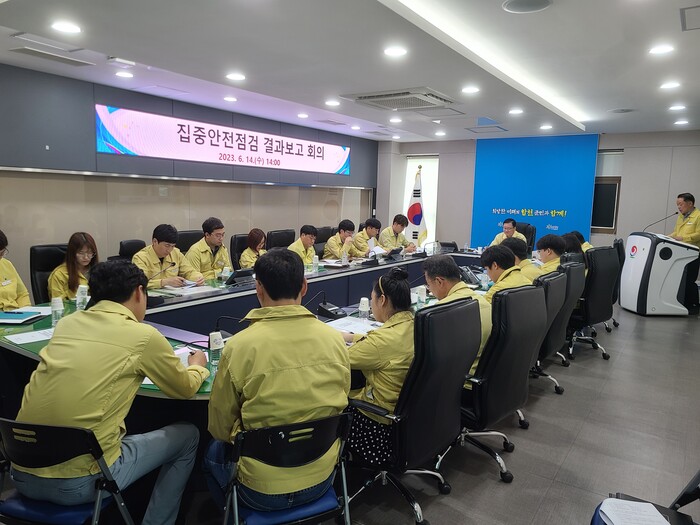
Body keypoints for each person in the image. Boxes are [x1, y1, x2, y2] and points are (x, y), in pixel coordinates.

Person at [11, 260, 209, 525]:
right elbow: (184, 388)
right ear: (139, 292)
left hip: (21, 473)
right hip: (81, 481)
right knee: (188, 435)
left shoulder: (67, 324)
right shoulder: (143, 335)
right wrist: (197, 366)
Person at [205, 249, 350, 511]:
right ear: (304, 286)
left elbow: (219, 428)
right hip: (322, 477)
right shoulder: (335, 339)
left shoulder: (238, 347)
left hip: (259, 490)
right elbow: (342, 397)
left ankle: (233, 511)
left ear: (258, 288)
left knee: (213, 452)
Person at [341, 267, 414, 465]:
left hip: (377, 424)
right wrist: (351, 336)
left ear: (382, 300)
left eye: (372, 299)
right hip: (409, 419)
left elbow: (340, 358)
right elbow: (380, 345)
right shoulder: (414, 324)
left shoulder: (381, 342)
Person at [422, 255, 492, 400]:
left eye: (428, 285)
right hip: (487, 380)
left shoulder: (440, 312)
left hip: (461, 385)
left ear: (439, 281)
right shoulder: (482, 301)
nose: (430, 290)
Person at [133, 224, 204, 288]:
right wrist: (164, 282)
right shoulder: (140, 258)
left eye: (172, 246)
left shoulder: (176, 253)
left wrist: (197, 277)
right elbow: (139, 284)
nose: (169, 250)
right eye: (167, 245)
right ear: (155, 241)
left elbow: (189, 271)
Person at [670, 192, 700, 311]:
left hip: (693, 253)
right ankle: (681, 303)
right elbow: (676, 232)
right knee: (680, 279)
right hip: (680, 252)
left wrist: (683, 238)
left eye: (680, 204)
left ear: (690, 203)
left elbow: (699, 234)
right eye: (677, 204)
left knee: (689, 280)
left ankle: (693, 305)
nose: (678, 207)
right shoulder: (681, 216)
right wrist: (666, 237)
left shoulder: (698, 216)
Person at [48, 232, 99, 301]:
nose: (86, 257)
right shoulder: (59, 275)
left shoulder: (98, 271)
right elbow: (58, 303)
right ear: (72, 253)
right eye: (81, 253)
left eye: (90, 253)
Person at [0, 229, 31, 311]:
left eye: (2, 253)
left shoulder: (7, 264)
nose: (0, 257)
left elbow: (22, 294)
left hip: (16, 314)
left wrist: (26, 311)